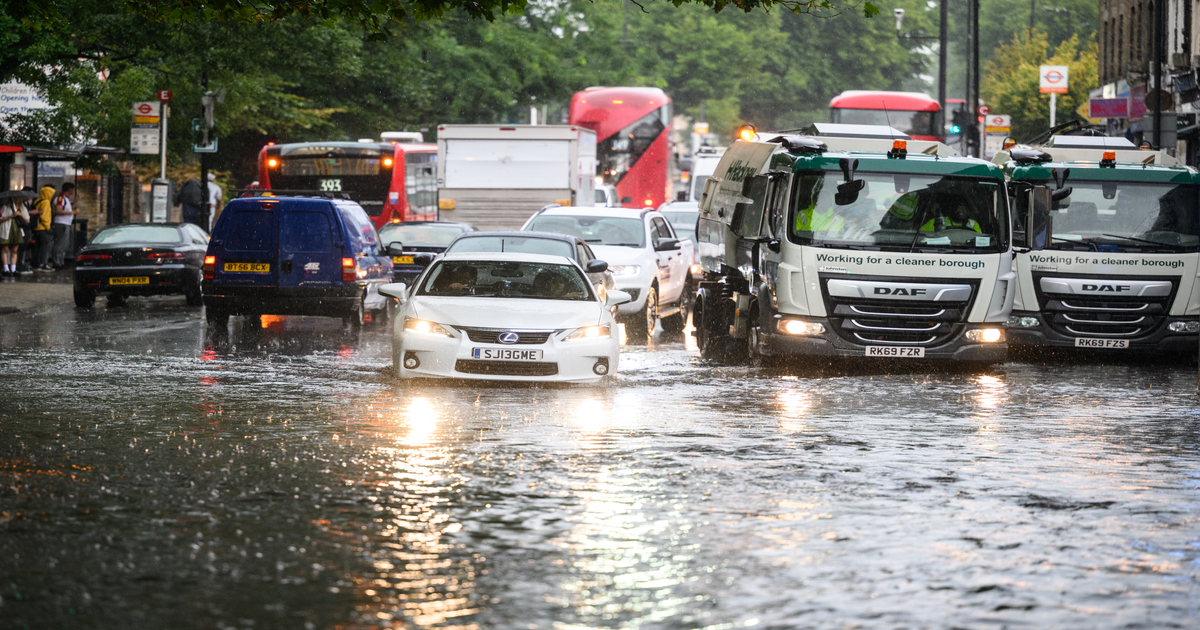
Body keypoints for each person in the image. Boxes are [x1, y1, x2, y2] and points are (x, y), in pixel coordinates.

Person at [50, 182, 78, 269]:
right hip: (61, 223)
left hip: (66, 223)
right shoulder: (60, 198)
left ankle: (61, 261)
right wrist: (72, 212)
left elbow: (69, 208)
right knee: (60, 243)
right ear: (70, 189)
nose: (73, 191)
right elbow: (58, 210)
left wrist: (76, 201)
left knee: (65, 244)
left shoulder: (66, 199)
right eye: (73, 189)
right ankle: (57, 262)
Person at [32, 185, 55, 271]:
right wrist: (48, 226)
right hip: (43, 228)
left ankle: (37, 263)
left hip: (36, 227)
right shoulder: (45, 202)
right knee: (46, 246)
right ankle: (43, 264)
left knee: (38, 246)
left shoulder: (37, 200)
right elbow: (44, 216)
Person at [0, 195, 24, 276]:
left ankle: (13, 269)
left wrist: (20, 215)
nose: (18, 199)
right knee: (5, 249)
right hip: (7, 229)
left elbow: (27, 220)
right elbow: (1, 219)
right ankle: (6, 268)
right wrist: (11, 216)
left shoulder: (21, 208)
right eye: (16, 197)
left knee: (14, 250)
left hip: (17, 230)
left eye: (19, 197)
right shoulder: (5, 207)